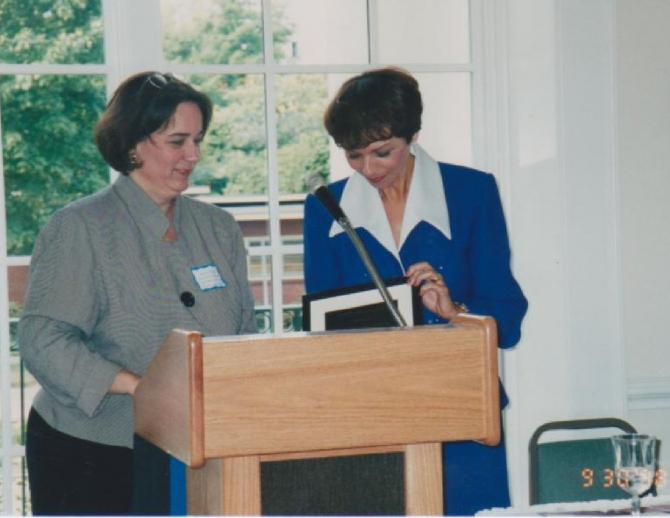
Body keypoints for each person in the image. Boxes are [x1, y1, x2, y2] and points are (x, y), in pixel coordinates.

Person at [18, 71, 256, 515]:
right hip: (93, 453)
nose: (193, 155)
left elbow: (244, 333)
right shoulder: (79, 228)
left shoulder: (218, 228)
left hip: (199, 447)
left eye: (198, 140)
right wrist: (137, 387)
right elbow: (42, 341)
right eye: (177, 141)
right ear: (132, 145)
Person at [303, 67, 528, 515]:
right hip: (368, 420)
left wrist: (456, 310)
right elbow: (317, 335)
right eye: (354, 156)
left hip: (462, 414)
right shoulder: (324, 209)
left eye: (382, 153)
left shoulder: (472, 192)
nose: (368, 170)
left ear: (413, 137)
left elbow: (509, 318)